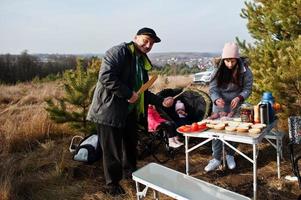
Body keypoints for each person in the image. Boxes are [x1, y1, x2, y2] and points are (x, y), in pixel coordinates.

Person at [86, 27, 174, 196]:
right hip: (108, 110)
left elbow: (143, 92)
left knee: (130, 145)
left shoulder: (141, 62)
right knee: (112, 150)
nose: (148, 45)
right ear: (135, 38)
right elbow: (106, 76)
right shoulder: (119, 52)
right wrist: (128, 93)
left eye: (152, 43)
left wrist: (161, 101)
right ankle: (112, 185)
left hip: (129, 112)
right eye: (145, 40)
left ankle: (132, 173)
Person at [205, 42, 253, 172]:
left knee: (234, 131)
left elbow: (248, 88)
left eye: (232, 61)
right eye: (227, 61)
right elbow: (212, 89)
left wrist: (240, 97)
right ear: (223, 59)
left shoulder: (245, 70)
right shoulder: (217, 70)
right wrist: (216, 99)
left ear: (237, 59)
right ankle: (216, 158)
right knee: (216, 133)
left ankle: (230, 155)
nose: (230, 64)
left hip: (235, 104)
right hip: (219, 105)